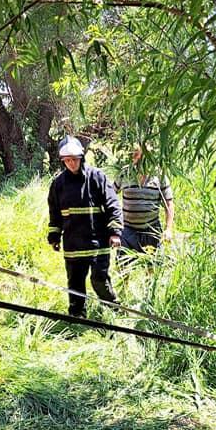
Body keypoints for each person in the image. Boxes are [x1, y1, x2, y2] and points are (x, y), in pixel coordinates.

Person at [47, 136, 123, 318]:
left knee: (99, 280)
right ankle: (77, 315)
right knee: (75, 282)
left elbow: (113, 204)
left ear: (82, 157)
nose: (71, 163)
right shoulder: (58, 184)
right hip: (73, 245)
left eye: (74, 159)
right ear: (63, 161)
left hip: (98, 242)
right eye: (67, 160)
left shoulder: (97, 177)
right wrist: (54, 236)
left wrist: (115, 232)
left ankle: (114, 311)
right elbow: (55, 213)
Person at [118, 145, 174, 262]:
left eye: (145, 158)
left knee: (152, 269)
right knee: (123, 268)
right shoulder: (125, 173)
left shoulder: (159, 175)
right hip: (128, 230)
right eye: (138, 157)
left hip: (152, 230)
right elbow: (110, 196)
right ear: (134, 157)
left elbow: (169, 203)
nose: (141, 162)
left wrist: (168, 229)